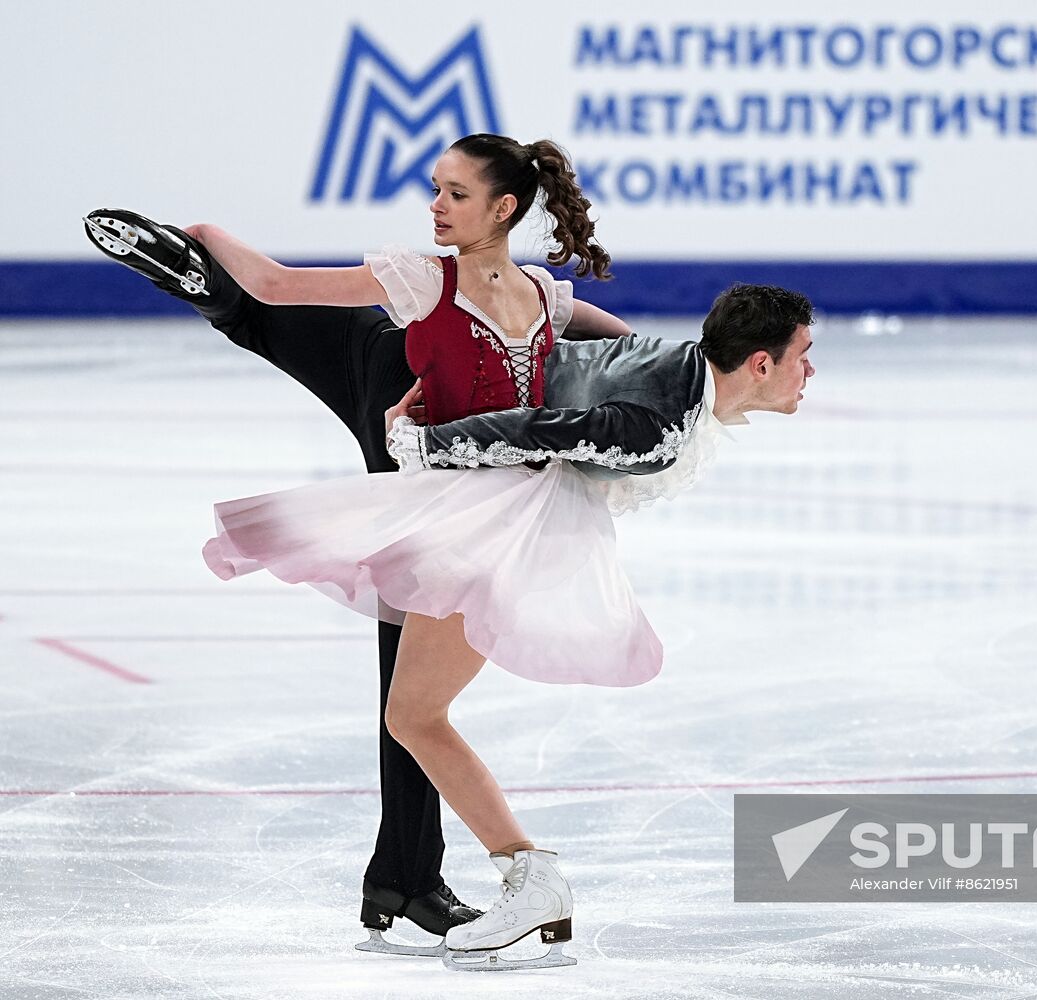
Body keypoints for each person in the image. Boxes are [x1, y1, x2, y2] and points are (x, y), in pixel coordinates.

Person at [85, 207, 816, 974]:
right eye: (803, 356)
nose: (812, 372)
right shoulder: (664, 428)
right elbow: (537, 429)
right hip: (462, 477)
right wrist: (420, 445)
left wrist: (586, 329)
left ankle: (218, 298)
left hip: (423, 378)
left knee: (329, 337)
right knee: (413, 702)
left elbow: (597, 347)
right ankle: (468, 877)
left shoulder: (669, 366)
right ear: (759, 363)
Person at [82, 132, 631, 959]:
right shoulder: (541, 296)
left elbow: (278, 283)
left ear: (502, 207)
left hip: (417, 429)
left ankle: (213, 298)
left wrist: (209, 240)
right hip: (452, 455)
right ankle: (407, 877)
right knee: (409, 691)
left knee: (295, 327)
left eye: (452, 193)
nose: (435, 205)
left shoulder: (432, 275)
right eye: (436, 190)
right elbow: (613, 338)